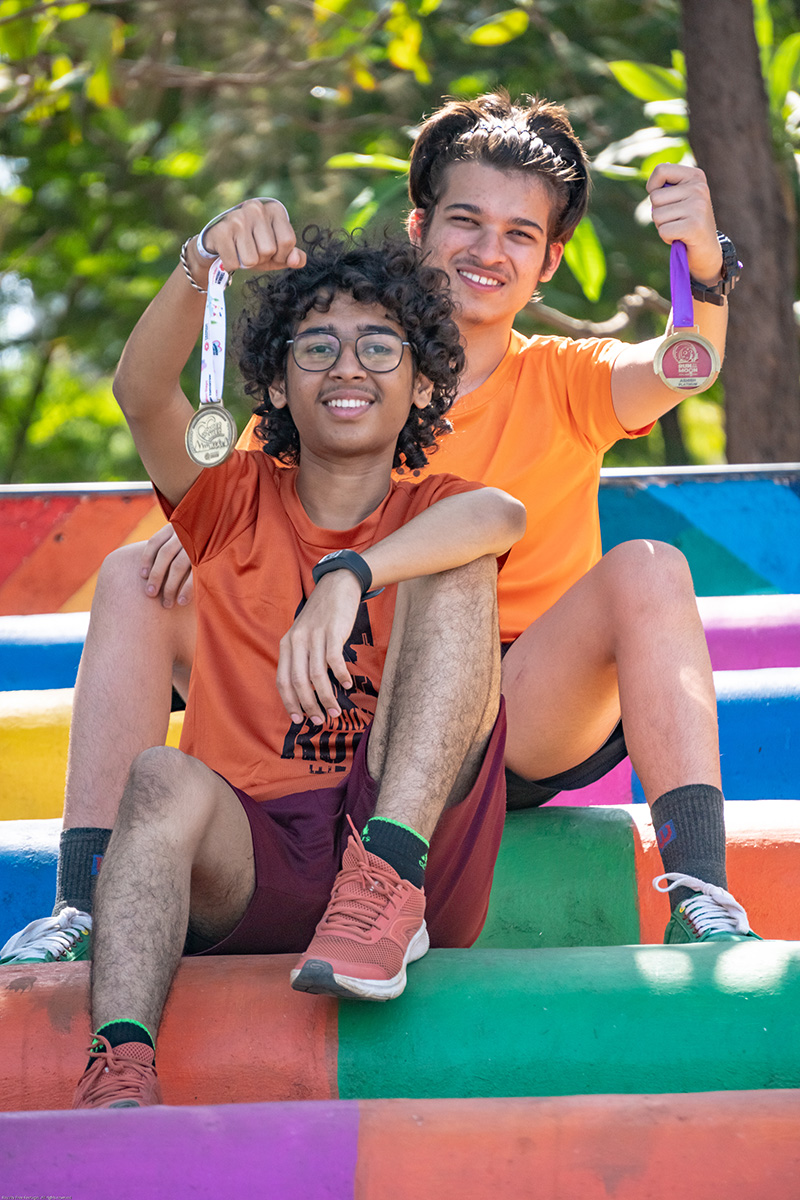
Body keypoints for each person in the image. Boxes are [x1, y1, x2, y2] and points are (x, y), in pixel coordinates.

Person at [2, 90, 760, 969]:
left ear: (549, 261)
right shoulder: (341, 373)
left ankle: (702, 889)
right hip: (335, 694)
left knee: (650, 567)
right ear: (417, 226)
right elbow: (225, 496)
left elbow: (685, 365)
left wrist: (704, 266)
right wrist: (202, 527)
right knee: (139, 573)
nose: (487, 251)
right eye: (466, 222)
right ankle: (83, 901)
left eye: (519, 234)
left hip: (508, 701)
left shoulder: (570, 379)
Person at [69, 221, 525, 1108]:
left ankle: (382, 883)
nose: (348, 365)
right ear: (277, 383)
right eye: (317, 345)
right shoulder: (229, 501)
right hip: (256, 853)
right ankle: (119, 1062)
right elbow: (139, 389)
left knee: (457, 566)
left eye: (379, 346)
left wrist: (350, 575)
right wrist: (199, 259)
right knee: (162, 776)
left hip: (410, 843)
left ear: (425, 382)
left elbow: (502, 516)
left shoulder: (442, 508)